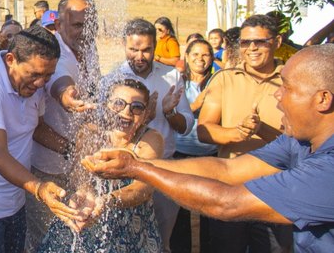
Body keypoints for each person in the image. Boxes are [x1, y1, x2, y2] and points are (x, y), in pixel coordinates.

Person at [82, 44, 334, 253]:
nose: (277, 95)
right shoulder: (298, 140)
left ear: (323, 99)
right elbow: (226, 169)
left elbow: (227, 203)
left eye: (287, 87)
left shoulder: (328, 171)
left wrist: (136, 168)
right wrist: (135, 164)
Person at [0, 26, 82, 253]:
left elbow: (37, 128)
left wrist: (74, 151)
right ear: (10, 59)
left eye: (47, 76)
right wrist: (40, 188)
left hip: (15, 202)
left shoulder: (30, 84)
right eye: (34, 74)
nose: (41, 83)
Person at [197, 14, 291, 252]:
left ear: (277, 41)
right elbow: (204, 130)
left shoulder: (293, 81)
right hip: (231, 189)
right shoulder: (224, 79)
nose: (252, 48)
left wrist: (263, 130)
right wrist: (236, 133)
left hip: (276, 190)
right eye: (245, 42)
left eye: (260, 42)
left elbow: (303, 142)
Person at [38, 78, 164, 252]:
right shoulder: (91, 132)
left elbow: (144, 188)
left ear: (145, 114)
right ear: (107, 106)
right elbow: (79, 175)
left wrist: (107, 201)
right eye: (119, 103)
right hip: (89, 218)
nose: (127, 112)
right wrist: (84, 190)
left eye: (137, 107)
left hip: (132, 226)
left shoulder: (150, 140)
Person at [107, 18, 194, 252]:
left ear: (156, 46)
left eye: (146, 50)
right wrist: (141, 115)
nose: (139, 56)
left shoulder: (171, 76)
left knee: (161, 243)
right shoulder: (112, 79)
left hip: (163, 171)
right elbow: (104, 124)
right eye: (133, 49)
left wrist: (168, 112)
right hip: (122, 176)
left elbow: (185, 125)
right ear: (124, 46)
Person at [25, 0, 101, 252]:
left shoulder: (89, 48)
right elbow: (62, 84)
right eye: (78, 25)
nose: (86, 31)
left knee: (78, 238)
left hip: (81, 166)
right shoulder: (53, 53)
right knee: (46, 240)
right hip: (49, 170)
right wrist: (68, 98)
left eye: (91, 24)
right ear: (58, 25)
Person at [171, 39, 218, 253]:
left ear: (212, 57)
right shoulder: (177, 81)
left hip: (210, 155)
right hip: (180, 153)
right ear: (187, 57)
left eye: (206, 55)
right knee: (180, 212)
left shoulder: (218, 83)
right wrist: (198, 103)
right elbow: (174, 112)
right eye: (195, 55)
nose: (200, 59)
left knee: (209, 210)